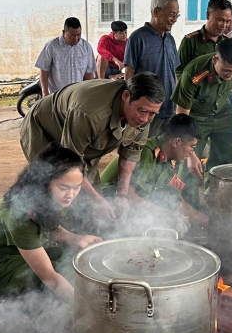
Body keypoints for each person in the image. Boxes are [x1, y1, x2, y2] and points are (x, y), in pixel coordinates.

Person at [19, 73, 164, 220]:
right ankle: (49, 231)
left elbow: (130, 155)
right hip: (44, 130)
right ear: (126, 96)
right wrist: (97, 200)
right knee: (55, 184)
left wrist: (122, 196)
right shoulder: (89, 112)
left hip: (81, 141)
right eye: (142, 111)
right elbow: (70, 162)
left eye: (152, 114)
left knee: (91, 202)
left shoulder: (144, 115)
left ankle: (79, 229)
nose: (145, 119)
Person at [0, 146, 101, 301]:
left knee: (77, 259)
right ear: (44, 182)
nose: (70, 195)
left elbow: (49, 225)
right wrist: (86, 308)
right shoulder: (20, 214)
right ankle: (13, 305)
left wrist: (76, 238)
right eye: (64, 187)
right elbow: (50, 278)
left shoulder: (53, 197)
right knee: (61, 273)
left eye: (76, 188)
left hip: (21, 253)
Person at [99, 113, 208, 229]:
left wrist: (206, 221)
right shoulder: (146, 151)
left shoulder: (168, 161)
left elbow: (176, 200)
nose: (192, 153)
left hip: (130, 204)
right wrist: (166, 215)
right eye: (192, 147)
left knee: (170, 198)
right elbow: (129, 196)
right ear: (176, 142)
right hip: (108, 203)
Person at [173, 38, 232, 170]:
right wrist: (190, 152)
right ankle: (184, 190)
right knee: (187, 167)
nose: (231, 75)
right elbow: (182, 115)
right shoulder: (193, 73)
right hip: (195, 118)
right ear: (215, 60)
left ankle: (217, 190)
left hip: (223, 114)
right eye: (226, 70)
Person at [124, 0, 182, 122]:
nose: (174, 19)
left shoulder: (170, 39)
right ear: (156, 12)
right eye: (171, 14)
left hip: (169, 109)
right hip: (147, 112)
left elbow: (174, 75)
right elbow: (129, 74)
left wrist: (178, 103)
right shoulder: (137, 38)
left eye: (176, 15)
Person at [174, 0, 232, 79]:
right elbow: (179, 71)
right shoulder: (190, 41)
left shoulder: (229, 42)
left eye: (228, 21)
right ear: (208, 15)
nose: (224, 25)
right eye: (220, 20)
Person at [35, 17, 97, 96]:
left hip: (78, 95)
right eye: (72, 35)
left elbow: (89, 73)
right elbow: (44, 69)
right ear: (64, 32)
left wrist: (87, 92)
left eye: (79, 35)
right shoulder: (51, 46)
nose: (76, 38)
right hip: (57, 95)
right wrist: (45, 93)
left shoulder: (86, 47)